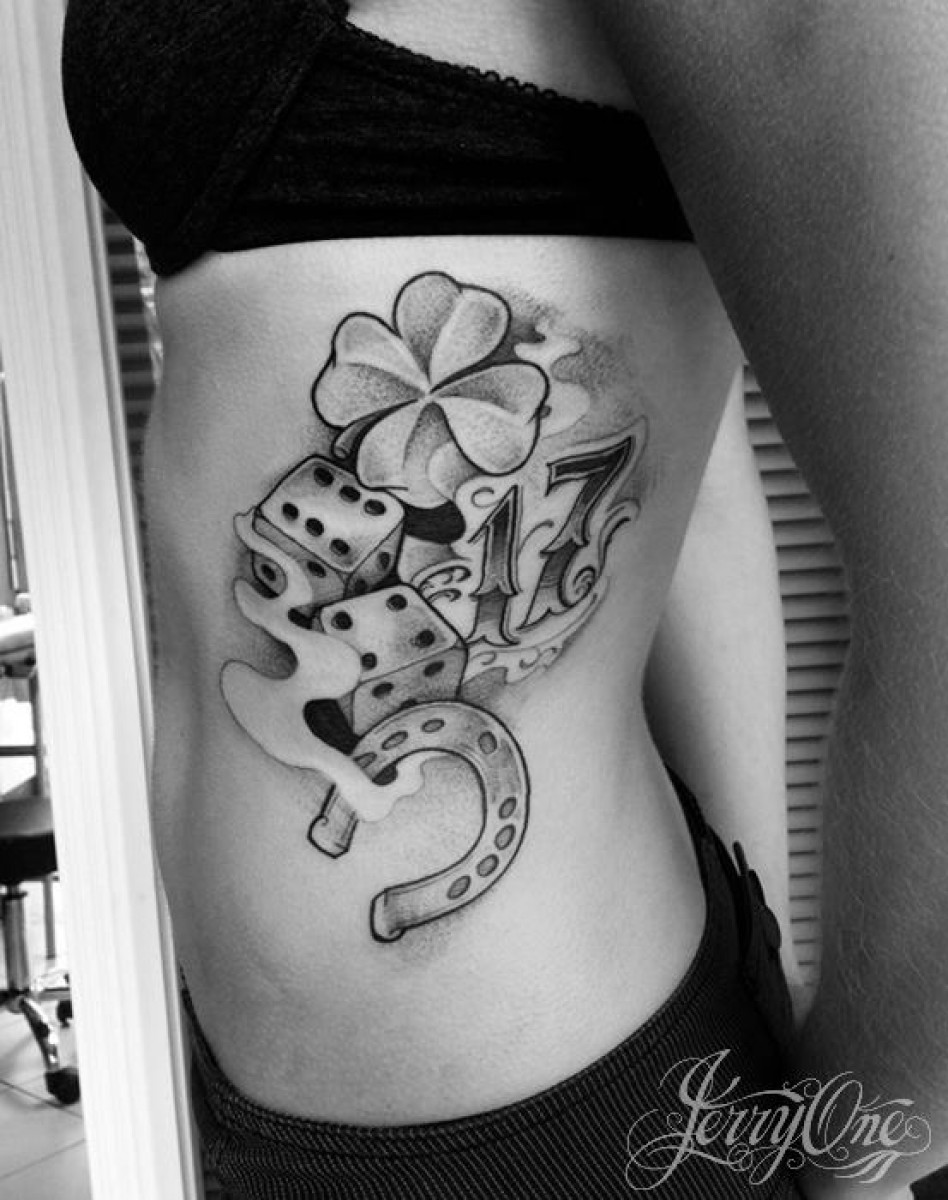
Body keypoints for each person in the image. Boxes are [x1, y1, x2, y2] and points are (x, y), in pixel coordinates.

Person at [60, 1, 946, 1197]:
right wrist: (759, 947)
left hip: (561, 1116)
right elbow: (693, 483)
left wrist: (852, 1153)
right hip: (274, 1084)